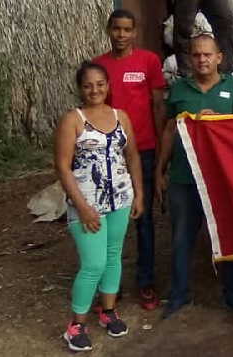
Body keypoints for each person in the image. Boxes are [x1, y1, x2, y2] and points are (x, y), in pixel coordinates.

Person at [154, 33, 233, 319]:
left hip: (221, 179)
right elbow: (171, 129)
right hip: (184, 177)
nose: (202, 59)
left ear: (219, 57)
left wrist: (219, 123)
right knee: (181, 238)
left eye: (207, 54)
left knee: (227, 238)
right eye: (196, 55)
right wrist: (161, 170)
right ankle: (179, 295)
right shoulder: (180, 89)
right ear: (190, 58)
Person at [54, 61, 145, 352]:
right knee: (93, 263)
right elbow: (62, 166)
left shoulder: (122, 117)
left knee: (113, 255)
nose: (94, 90)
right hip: (87, 204)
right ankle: (76, 325)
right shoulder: (73, 119)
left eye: (100, 84)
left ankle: (108, 311)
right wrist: (81, 206)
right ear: (80, 89)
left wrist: (139, 193)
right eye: (88, 85)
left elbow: (132, 157)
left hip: (120, 198)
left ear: (108, 85)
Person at [93, 9, 166, 311]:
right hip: (109, 154)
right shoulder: (99, 66)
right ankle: (112, 286)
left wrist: (162, 149)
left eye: (127, 29)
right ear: (109, 30)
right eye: (116, 29)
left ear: (134, 32)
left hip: (145, 151)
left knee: (144, 219)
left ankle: (146, 283)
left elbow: (158, 106)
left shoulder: (149, 61)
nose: (121, 35)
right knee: (110, 221)